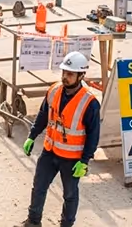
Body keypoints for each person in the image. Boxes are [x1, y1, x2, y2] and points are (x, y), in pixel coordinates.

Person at [19, 51, 101, 227]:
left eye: (70, 74)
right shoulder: (54, 90)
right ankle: (33, 222)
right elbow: (42, 115)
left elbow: (94, 135)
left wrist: (85, 160)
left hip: (72, 159)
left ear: (81, 75)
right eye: (64, 72)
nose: (65, 76)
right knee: (38, 187)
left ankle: (66, 224)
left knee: (70, 195)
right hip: (50, 151)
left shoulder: (89, 102)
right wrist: (32, 136)